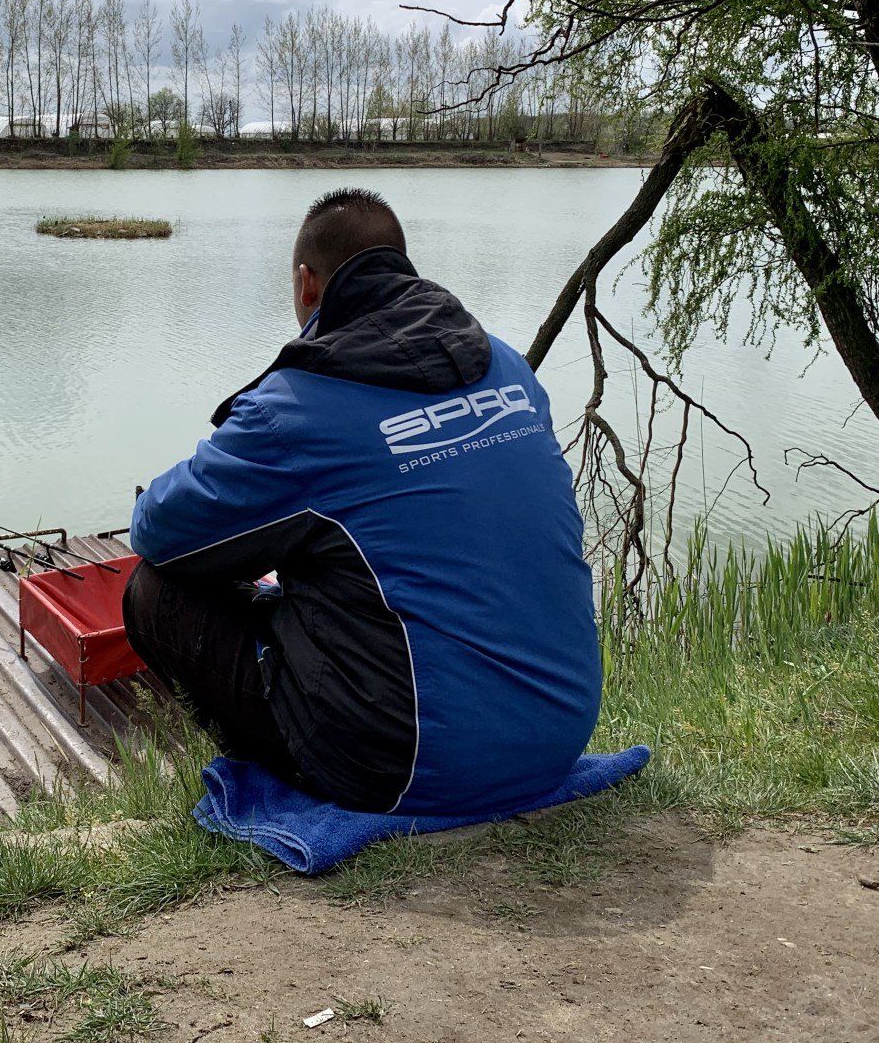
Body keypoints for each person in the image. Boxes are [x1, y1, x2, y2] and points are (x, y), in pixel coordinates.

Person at [123, 188, 600, 816]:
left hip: (411, 769)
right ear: (401, 266)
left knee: (153, 591)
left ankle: (293, 769)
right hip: (560, 737)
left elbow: (160, 528)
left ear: (306, 285)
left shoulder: (299, 407)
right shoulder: (507, 366)